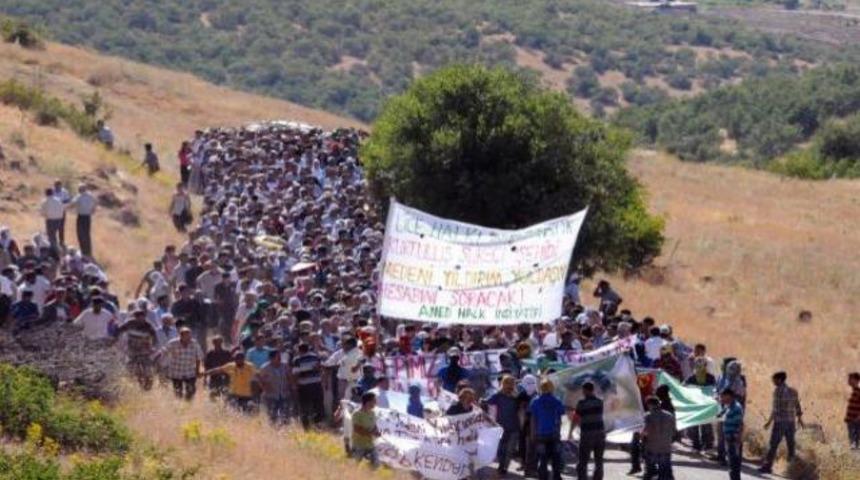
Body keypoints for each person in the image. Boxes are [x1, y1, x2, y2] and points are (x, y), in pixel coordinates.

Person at [759, 371, 804, 474]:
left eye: (774, 379)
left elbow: (776, 409)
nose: (773, 381)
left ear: (779, 379)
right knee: (791, 445)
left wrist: (769, 422)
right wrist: (800, 419)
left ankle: (767, 466)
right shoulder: (793, 391)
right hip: (791, 422)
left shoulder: (778, 391)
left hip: (780, 422)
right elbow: (797, 406)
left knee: (773, 444)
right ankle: (792, 469)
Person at [530, 378, 566, 480]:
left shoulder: (535, 401)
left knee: (543, 458)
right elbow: (560, 418)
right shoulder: (557, 401)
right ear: (551, 388)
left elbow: (533, 419)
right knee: (556, 458)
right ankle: (556, 477)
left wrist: (533, 433)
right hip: (554, 434)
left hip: (540, 434)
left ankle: (543, 477)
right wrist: (559, 432)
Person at [487, 375, 522, 476]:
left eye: (512, 383)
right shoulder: (497, 396)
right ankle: (502, 466)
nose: (510, 386)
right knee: (501, 449)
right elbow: (487, 402)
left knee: (510, 450)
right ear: (503, 384)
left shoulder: (517, 397)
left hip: (514, 426)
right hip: (501, 427)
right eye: (508, 383)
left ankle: (504, 467)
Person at [116, 308, 158, 390]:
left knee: (148, 370)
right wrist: (116, 340)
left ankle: (148, 386)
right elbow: (119, 331)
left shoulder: (148, 325)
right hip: (132, 351)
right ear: (135, 317)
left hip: (145, 351)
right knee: (133, 370)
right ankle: (138, 384)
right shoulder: (129, 323)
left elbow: (155, 337)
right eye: (138, 317)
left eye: (142, 317)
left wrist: (153, 346)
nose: (140, 319)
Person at [157, 327, 203, 400]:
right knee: (178, 392)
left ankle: (188, 405)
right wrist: (162, 364)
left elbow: (198, 357)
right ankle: (179, 405)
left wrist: (197, 370)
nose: (188, 338)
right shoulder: (173, 343)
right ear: (181, 336)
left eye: (189, 336)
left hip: (190, 371)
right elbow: (164, 352)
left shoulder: (194, 343)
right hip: (176, 372)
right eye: (186, 336)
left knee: (191, 391)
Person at [573, 381, 605, 480]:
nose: (582, 392)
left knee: (583, 459)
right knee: (599, 460)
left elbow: (576, 418)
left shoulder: (581, 403)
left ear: (586, 390)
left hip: (587, 434)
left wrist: (571, 432)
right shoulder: (600, 402)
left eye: (583, 390)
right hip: (600, 433)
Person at [685, 357, 716, 452]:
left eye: (702, 365)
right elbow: (685, 388)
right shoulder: (691, 378)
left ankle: (707, 445)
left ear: (706, 366)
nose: (700, 367)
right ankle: (696, 445)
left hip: (706, 405)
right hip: (695, 405)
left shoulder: (711, 378)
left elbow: (714, 389)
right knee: (694, 426)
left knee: (706, 425)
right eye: (698, 365)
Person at [642, 396, 676, 480]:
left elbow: (645, 431)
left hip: (652, 447)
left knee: (650, 470)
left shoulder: (648, 416)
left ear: (650, 405)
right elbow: (674, 430)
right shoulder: (669, 415)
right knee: (666, 470)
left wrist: (641, 438)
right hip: (666, 446)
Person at [292, 342, 325, 429]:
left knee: (304, 406)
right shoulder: (315, 357)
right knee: (318, 405)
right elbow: (320, 369)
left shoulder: (297, 360)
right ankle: (318, 424)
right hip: (316, 384)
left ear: (299, 350)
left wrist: (294, 385)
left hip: (304, 386)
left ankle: (306, 426)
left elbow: (295, 373)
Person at [257, 349, 292, 425]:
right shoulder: (265, 368)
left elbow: (290, 377)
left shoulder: (285, 366)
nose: (280, 358)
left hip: (284, 394)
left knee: (285, 416)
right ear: (271, 358)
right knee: (272, 416)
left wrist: (289, 386)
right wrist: (265, 388)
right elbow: (259, 379)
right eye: (278, 357)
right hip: (271, 395)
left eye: (280, 356)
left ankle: (285, 431)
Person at [719, 388, 744, 480]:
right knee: (731, 464)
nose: (721, 399)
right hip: (729, 439)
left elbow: (740, 424)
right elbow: (721, 413)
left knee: (734, 465)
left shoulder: (736, 407)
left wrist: (738, 439)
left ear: (729, 396)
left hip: (734, 440)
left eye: (723, 396)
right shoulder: (729, 406)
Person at [351, 391, 380, 468]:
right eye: (374, 401)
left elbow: (374, 425)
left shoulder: (372, 413)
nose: (376, 402)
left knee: (375, 464)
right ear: (368, 402)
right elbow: (357, 429)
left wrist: (377, 431)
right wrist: (371, 433)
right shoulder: (357, 414)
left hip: (370, 444)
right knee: (355, 465)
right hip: (358, 444)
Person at [68, 184, 96, 258]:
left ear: (80, 189)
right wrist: (92, 210)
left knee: (80, 234)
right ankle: (88, 251)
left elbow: (72, 204)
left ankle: (83, 251)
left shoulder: (79, 196)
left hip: (81, 217)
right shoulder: (91, 196)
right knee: (87, 234)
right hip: (88, 217)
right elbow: (95, 204)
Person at [40, 188, 64, 257]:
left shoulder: (45, 201)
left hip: (50, 220)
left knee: (51, 236)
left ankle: (56, 251)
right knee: (54, 235)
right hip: (59, 219)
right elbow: (62, 209)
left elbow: (42, 212)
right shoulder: (58, 200)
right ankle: (56, 248)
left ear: (46, 193)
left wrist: (46, 215)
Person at [845, 372, 860, 449]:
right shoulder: (854, 392)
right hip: (851, 419)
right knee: (852, 437)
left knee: (855, 438)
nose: (849, 381)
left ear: (856, 380)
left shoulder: (858, 392)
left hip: (855, 420)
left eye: (851, 379)